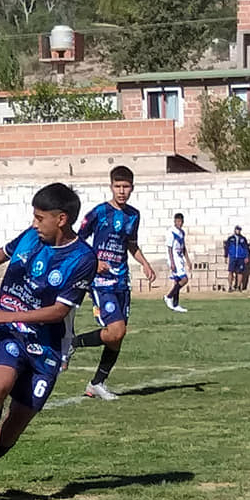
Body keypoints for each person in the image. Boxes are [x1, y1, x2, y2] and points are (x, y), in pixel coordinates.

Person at [0, 183, 97, 500]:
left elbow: (58, 312)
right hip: (11, 332)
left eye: (40, 218)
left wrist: (0, 315)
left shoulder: (82, 258)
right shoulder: (31, 236)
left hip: (48, 346)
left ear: (61, 219)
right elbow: (1, 254)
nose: (34, 223)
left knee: (15, 425)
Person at [69, 166, 156, 401]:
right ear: (111, 187)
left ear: (132, 188)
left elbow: (131, 244)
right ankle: (72, 343)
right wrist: (93, 261)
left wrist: (145, 264)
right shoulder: (99, 212)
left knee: (117, 336)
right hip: (100, 281)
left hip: (121, 281)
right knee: (116, 330)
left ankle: (96, 383)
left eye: (126, 186)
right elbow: (77, 239)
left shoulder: (133, 215)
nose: (122, 191)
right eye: (117, 186)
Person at [164, 213, 190, 312]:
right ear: (175, 221)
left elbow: (183, 247)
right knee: (184, 279)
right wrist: (172, 262)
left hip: (180, 258)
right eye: (178, 221)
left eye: (181, 221)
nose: (179, 223)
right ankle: (168, 296)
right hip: (174, 258)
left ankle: (176, 305)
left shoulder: (182, 232)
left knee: (177, 281)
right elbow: (169, 248)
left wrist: (187, 260)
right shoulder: (171, 232)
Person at [224, 225, 250, 292]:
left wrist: (246, 256)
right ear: (235, 230)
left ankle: (239, 286)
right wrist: (226, 256)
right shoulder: (230, 239)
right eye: (237, 230)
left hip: (240, 258)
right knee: (231, 272)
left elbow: (246, 249)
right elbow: (226, 248)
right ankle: (230, 286)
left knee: (240, 272)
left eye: (239, 230)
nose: (238, 231)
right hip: (233, 257)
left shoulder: (243, 239)